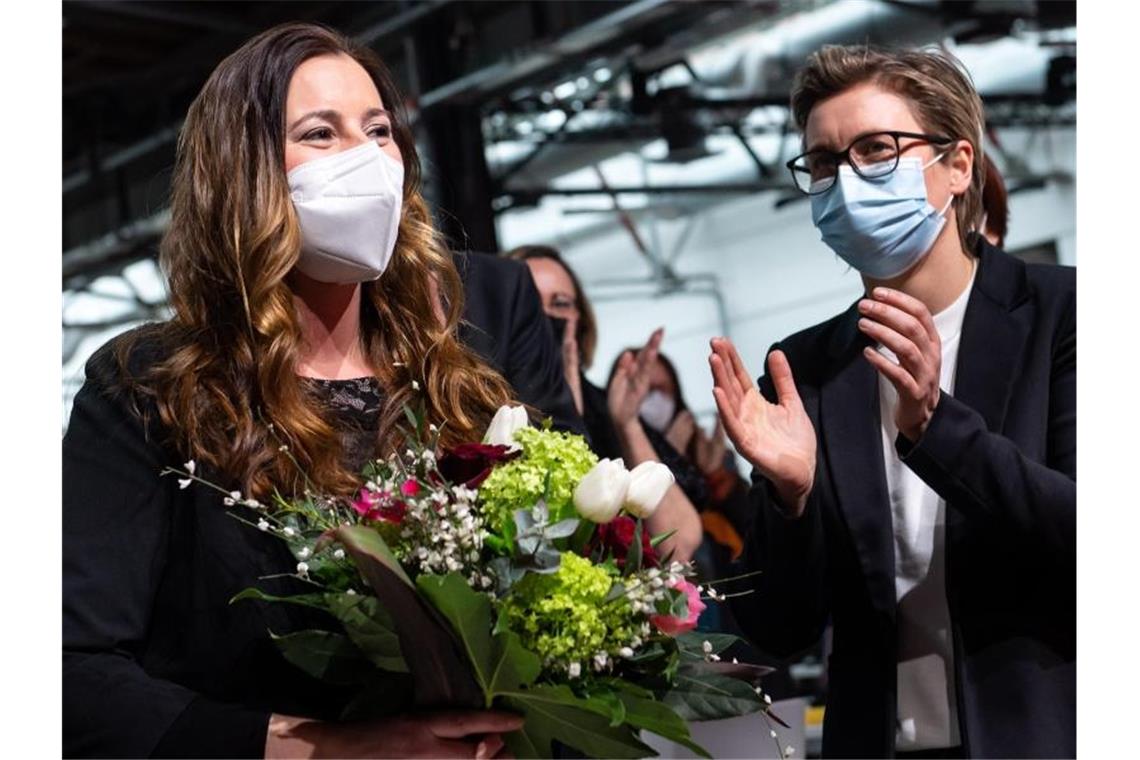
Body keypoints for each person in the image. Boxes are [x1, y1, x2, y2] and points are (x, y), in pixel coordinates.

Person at [63, 23, 526, 758]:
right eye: (321, 133)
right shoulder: (153, 387)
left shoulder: (462, 374)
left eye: (379, 130)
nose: (368, 160)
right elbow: (68, 674)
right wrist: (334, 750)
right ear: (245, 173)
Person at [711, 45, 1074, 758]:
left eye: (876, 150)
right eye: (822, 162)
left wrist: (939, 429)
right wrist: (791, 498)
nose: (846, 181)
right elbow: (776, 629)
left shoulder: (1060, 315)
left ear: (958, 166)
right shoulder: (808, 367)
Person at [508, 245, 703, 562]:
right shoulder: (481, 403)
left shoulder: (604, 407)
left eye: (559, 303)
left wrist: (627, 425)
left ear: (580, 319)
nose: (545, 318)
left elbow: (680, 545)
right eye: (528, 301)